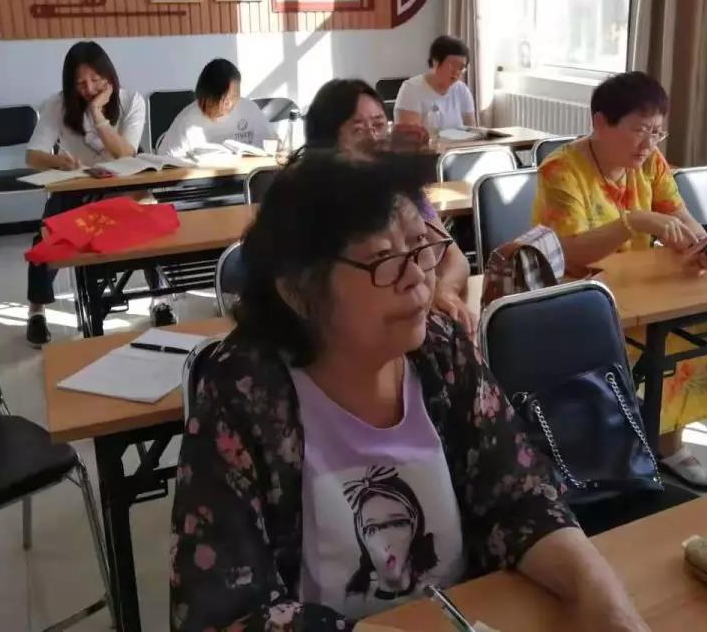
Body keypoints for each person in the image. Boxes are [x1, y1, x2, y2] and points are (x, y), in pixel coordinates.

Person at [169, 152, 648, 631]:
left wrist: (604, 601)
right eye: (384, 260)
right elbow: (225, 610)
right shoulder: (242, 389)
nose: (418, 275)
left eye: (419, 247)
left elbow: (520, 498)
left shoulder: (440, 351)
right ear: (299, 292)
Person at [532, 71, 707, 489]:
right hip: (576, 295)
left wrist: (700, 245)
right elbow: (570, 252)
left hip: (636, 289)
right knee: (647, 343)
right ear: (601, 123)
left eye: (657, 132)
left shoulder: (650, 162)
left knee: (692, 333)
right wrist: (631, 222)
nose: (649, 143)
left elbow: (679, 215)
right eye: (639, 130)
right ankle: (617, 451)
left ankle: (670, 445)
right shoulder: (561, 170)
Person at [23, 41, 174, 346]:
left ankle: (160, 299)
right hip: (77, 186)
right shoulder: (57, 104)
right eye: (80, 83)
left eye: (96, 80)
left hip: (124, 187)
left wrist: (97, 114)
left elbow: (126, 154)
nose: (89, 88)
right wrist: (59, 162)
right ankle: (36, 310)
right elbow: (32, 156)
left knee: (152, 228)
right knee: (46, 237)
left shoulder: (131, 101)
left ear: (109, 76)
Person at [305, 78, 474, 332]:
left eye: (379, 125)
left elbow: (455, 258)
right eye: (358, 130)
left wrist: (445, 290)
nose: (374, 138)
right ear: (326, 141)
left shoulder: (402, 191)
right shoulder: (313, 203)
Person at [156, 58, 275, 158]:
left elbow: (272, 146)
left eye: (234, 96)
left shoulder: (249, 109)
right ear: (206, 96)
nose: (229, 103)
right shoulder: (187, 122)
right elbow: (166, 162)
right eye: (223, 98)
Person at [393, 35, 476, 131]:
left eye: (461, 68)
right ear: (435, 62)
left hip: (458, 141)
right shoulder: (411, 89)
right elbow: (409, 136)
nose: (457, 72)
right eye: (452, 66)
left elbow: (472, 130)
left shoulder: (462, 90)